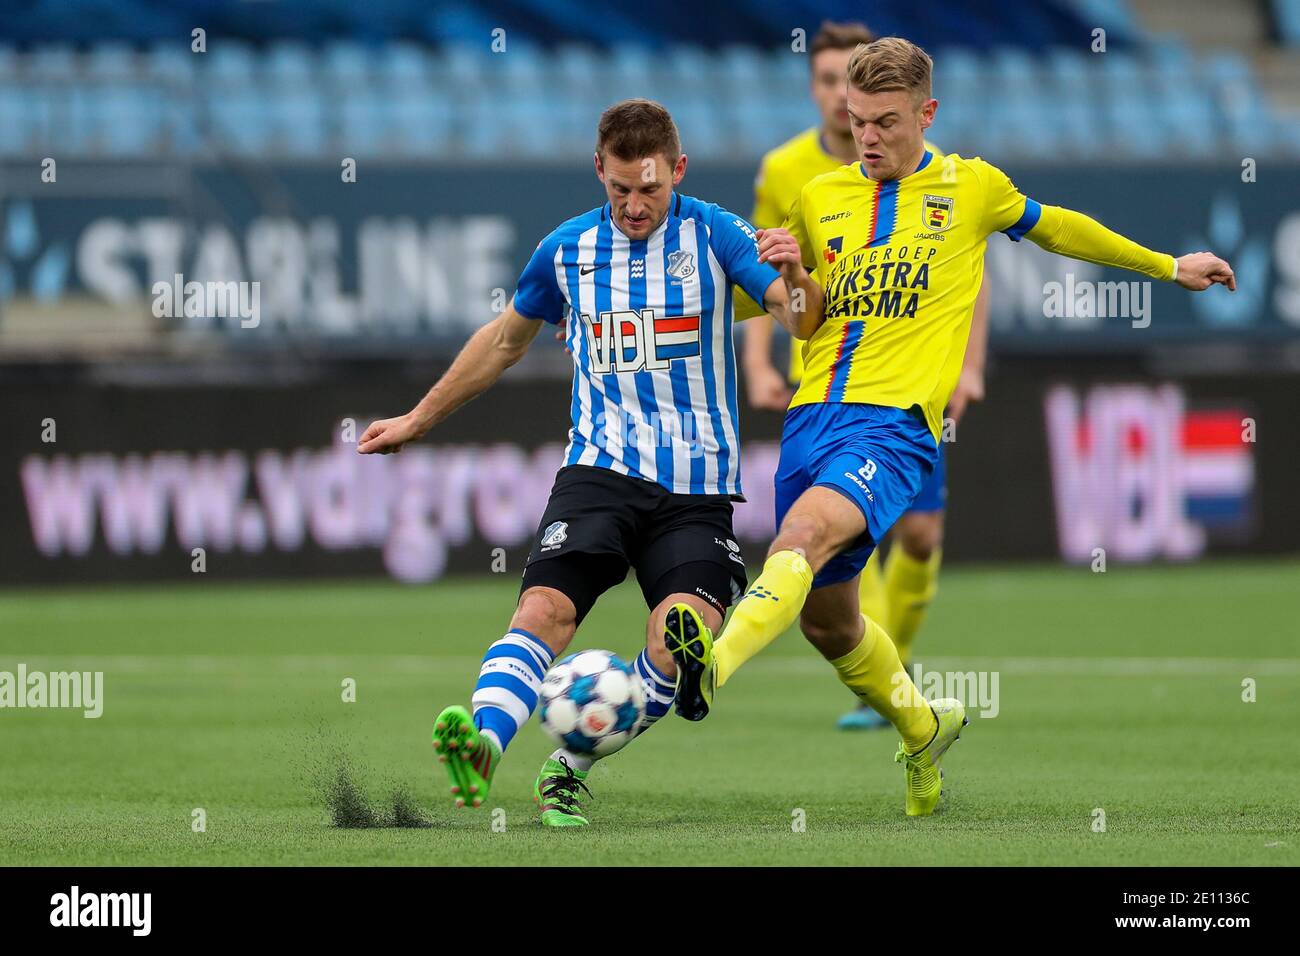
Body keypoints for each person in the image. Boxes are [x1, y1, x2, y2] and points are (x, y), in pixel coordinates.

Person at [666, 37, 1236, 817]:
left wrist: (1168, 267)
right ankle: (924, 727)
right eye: (858, 121)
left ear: (926, 113)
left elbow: (1062, 229)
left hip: (893, 426)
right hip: (810, 419)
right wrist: (760, 284)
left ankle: (710, 667)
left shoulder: (972, 188)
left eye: (886, 122)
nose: (868, 137)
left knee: (799, 538)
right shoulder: (820, 195)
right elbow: (794, 314)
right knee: (830, 625)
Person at [358, 99, 804, 827]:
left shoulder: (719, 235)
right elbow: (504, 342)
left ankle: (569, 766)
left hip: (696, 490)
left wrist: (796, 277)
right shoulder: (565, 251)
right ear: (599, 169)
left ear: (679, 170)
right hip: (599, 473)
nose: (634, 205)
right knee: (543, 610)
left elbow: (794, 314)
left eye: (650, 188)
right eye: (620, 188)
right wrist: (416, 419)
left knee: (679, 635)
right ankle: (483, 748)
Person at [739, 20, 990, 731]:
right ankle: (882, 692)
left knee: (921, 536)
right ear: (817, 89)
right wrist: (757, 361)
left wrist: (969, 366)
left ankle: (892, 678)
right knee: (841, 540)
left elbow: (969, 276)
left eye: (841, 82)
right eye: (824, 82)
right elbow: (763, 272)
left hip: (909, 384)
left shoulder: (945, 183)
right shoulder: (788, 173)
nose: (835, 98)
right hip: (822, 386)